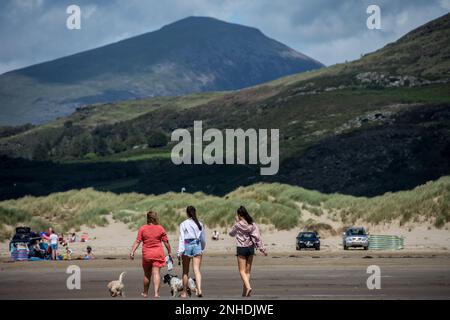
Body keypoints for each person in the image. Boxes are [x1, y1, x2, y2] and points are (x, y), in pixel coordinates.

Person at [130, 211, 172, 298]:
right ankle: (156, 293)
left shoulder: (143, 228)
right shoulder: (160, 228)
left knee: (147, 274)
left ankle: (145, 293)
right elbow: (166, 242)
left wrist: (132, 251)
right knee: (156, 273)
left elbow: (138, 241)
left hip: (147, 255)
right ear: (156, 218)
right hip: (158, 254)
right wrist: (169, 251)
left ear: (148, 218)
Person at [229, 206, 267, 297]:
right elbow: (257, 237)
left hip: (241, 248)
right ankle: (244, 292)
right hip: (250, 248)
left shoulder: (238, 224)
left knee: (242, 271)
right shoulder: (252, 224)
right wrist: (262, 249)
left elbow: (231, 233)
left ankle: (248, 287)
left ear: (239, 214)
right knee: (248, 271)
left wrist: (236, 222)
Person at [177, 206, 206, 298]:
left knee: (185, 271)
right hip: (197, 245)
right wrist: (202, 248)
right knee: (197, 270)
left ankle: (184, 292)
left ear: (187, 213)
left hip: (187, 245)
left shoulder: (183, 224)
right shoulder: (199, 224)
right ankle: (199, 290)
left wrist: (179, 252)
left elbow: (181, 239)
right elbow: (203, 239)